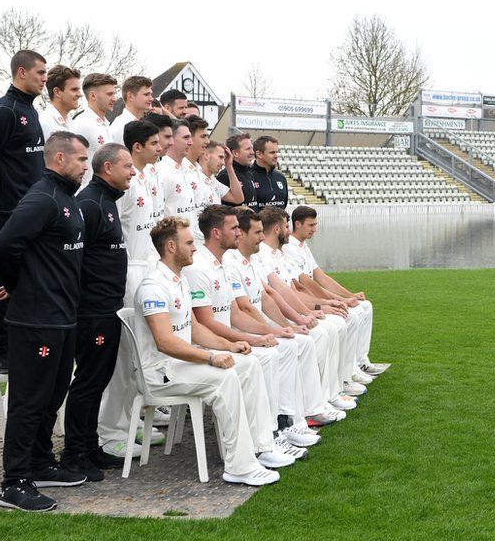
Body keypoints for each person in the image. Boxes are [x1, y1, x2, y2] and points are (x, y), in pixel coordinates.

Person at [134, 216, 291, 485]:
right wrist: (211, 356)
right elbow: (165, 342)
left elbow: (194, 329)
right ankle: (239, 467)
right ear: (171, 247)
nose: (195, 248)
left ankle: (261, 447)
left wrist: (230, 346)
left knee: (249, 364)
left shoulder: (178, 280)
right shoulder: (153, 287)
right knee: (226, 378)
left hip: (180, 363)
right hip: (161, 372)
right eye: (188, 243)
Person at [0, 131, 90, 512]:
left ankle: (39, 462)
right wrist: (14, 285)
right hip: (36, 319)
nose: (86, 166)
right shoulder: (42, 197)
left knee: (51, 398)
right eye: (81, 159)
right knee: (28, 402)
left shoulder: (67, 199)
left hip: (63, 317)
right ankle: (13, 483)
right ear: (60, 159)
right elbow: (4, 245)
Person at [181, 206, 312, 454]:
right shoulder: (200, 268)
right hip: (209, 344)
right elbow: (207, 324)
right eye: (234, 229)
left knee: (282, 347)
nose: (239, 234)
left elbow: (234, 314)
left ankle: (283, 424)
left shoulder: (218, 264)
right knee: (267, 356)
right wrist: (255, 338)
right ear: (218, 233)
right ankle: (267, 438)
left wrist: (267, 333)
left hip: (221, 338)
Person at [223, 208, 345, 427]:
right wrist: (279, 329)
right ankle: (289, 419)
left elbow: (271, 294)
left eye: (262, 232)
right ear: (241, 234)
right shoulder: (233, 262)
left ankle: (311, 408)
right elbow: (245, 309)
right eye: (257, 233)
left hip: (260, 322)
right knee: (296, 343)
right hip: (246, 328)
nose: (262, 237)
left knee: (307, 336)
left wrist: (296, 321)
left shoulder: (250, 259)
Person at [62, 143, 134, 479]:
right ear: (107, 168)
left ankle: (90, 446)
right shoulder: (90, 204)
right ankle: (74, 452)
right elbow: (72, 259)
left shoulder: (106, 202)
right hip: (91, 312)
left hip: (108, 308)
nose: (133, 172)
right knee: (88, 382)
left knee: (98, 380)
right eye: (127, 166)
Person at [96, 120, 163, 457]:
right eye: (154, 143)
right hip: (126, 275)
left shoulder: (146, 177)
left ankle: (127, 422)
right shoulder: (123, 187)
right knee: (122, 359)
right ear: (137, 147)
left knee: (138, 359)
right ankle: (109, 433)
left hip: (145, 271)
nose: (160, 148)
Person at [256, 207, 364, 405]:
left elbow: (298, 286)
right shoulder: (264, 255)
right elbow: (277, 294)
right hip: (278, 316)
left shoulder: (278, 254)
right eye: (286, 226)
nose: (289, 231)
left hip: (291, 311)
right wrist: (313, 311)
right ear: (278, 229)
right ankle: (317, 399)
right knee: (326, 329)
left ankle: (333, 389)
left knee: (336, 323)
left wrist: (324, 304)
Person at [0, 49, 47, 372]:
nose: (44, 79)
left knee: (26, 282)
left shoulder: (30, 111)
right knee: (3, 284)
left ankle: (18, 345)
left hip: (30, 215)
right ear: (22, 73)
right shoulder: (5, 111)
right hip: (7, 214)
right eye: (40, 73)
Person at [284, 206, 388, 376]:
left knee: (365, 306)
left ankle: (360, 362)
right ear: (297, 224)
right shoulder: (289, 249)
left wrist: (349, 295)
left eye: (315, 225)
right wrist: (333, 301)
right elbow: (307, 284)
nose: (315, 229)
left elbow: (320, 276)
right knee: (349, 317)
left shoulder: (303, 246)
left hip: (314, 301)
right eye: (311, 225)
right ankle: (347, 373)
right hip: (308, 304)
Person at [71, 73, 116, 188]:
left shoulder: (106, 125)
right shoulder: (81, 124)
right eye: (109, 94)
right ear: (93, 96)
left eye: (114, 94)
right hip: (86, 196)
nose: (114, 98)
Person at [154, 119, 195, 224]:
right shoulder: (161, 171)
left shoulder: (188, 169)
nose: (191, 142)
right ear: (171, 139)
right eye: (186, 138)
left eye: (190, 137)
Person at [39, 65, 81, 140]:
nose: (79, 94)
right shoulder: (43, 123)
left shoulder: (73, 124)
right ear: (57, 92)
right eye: (74, 89)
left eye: (79, 90)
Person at [109, 75, 153, 145]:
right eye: (146, 94)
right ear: (130, 96)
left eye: (151, 94)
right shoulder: (120, 128)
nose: (151, 99)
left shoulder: (144, 123)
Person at [216, 133, 256, 208]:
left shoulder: (250, 173)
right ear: (235, 153)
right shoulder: (225, 176)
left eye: (252, 148)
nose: (252, 152)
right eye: (248, 149)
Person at [249, 136, 288, 211]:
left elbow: (284, 205)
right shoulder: (248, 176)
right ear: (259, 154)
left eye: (277, 152)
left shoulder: (281, 177)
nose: (276, 156)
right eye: (272, 152)